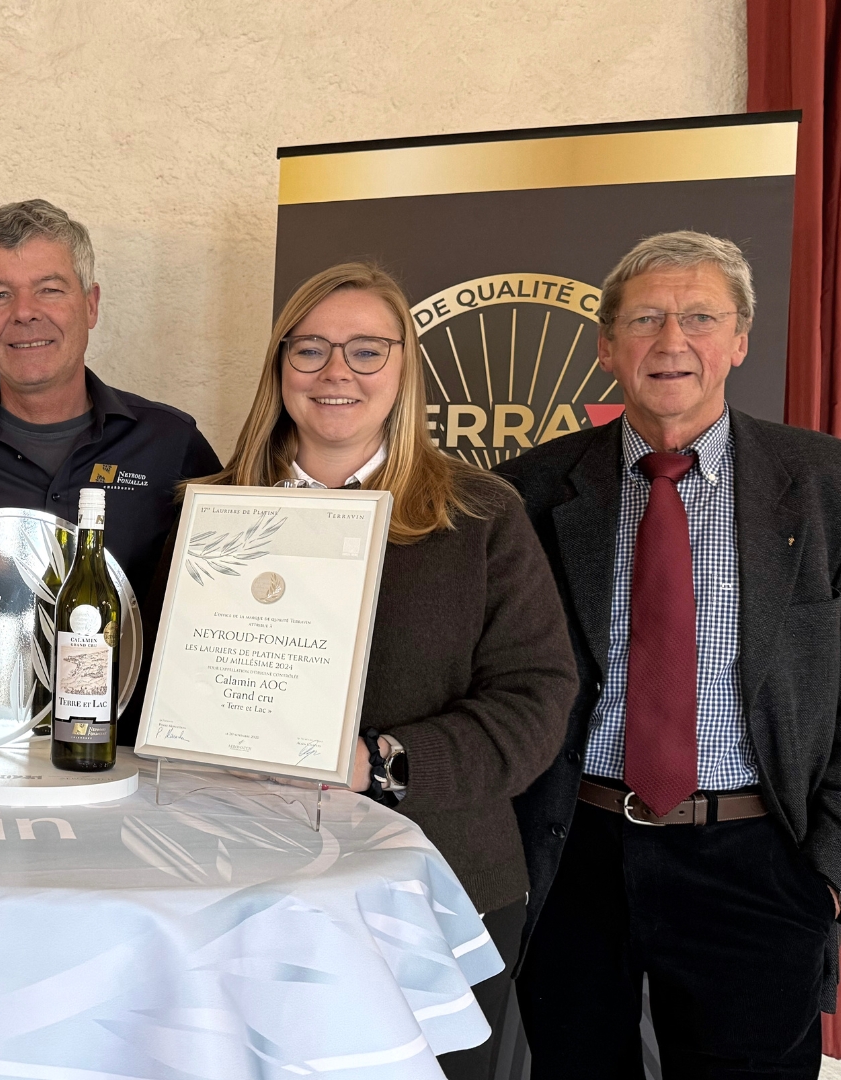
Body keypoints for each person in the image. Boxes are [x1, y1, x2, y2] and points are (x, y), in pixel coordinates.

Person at [495, 231, 841, 1079]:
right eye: (645, 319)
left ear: (740, 340)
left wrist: (829, 880)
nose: (671, 341)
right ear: (607, 348)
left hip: (759, 860)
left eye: (698, 317)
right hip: (576, 850)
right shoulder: (527, 493)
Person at [195, 262, 577, 1080]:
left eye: (368, 351)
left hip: (438, 882)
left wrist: (383, 763)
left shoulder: (480, 515)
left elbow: (536, 699)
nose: (337, 372)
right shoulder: (209, 515)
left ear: (406, 369)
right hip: (232, 889)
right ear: (279, 368)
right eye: (312, 349)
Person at [0, 199, 221, 741]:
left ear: (90, 305)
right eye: (0, 294)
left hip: (132, 768)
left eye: (49, 288)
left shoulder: (172, 446)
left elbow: (218, 620)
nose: (24, 312)